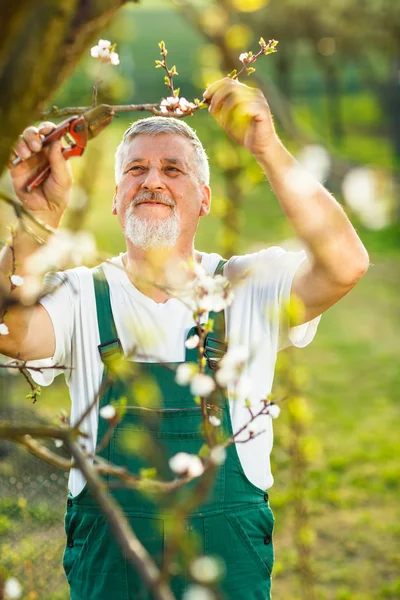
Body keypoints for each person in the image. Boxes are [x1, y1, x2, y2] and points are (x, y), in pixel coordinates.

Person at [0, 78, 369, 600]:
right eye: (136, 170)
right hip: (111, 570)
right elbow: (8, 334)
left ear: (205, 199)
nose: (153, 181)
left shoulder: (247, 289)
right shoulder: (81, 296)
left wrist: (266, 147)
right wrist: (34, 221)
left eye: (173, 169)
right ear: (115, 198)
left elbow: (346, 264)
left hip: (228, 567)